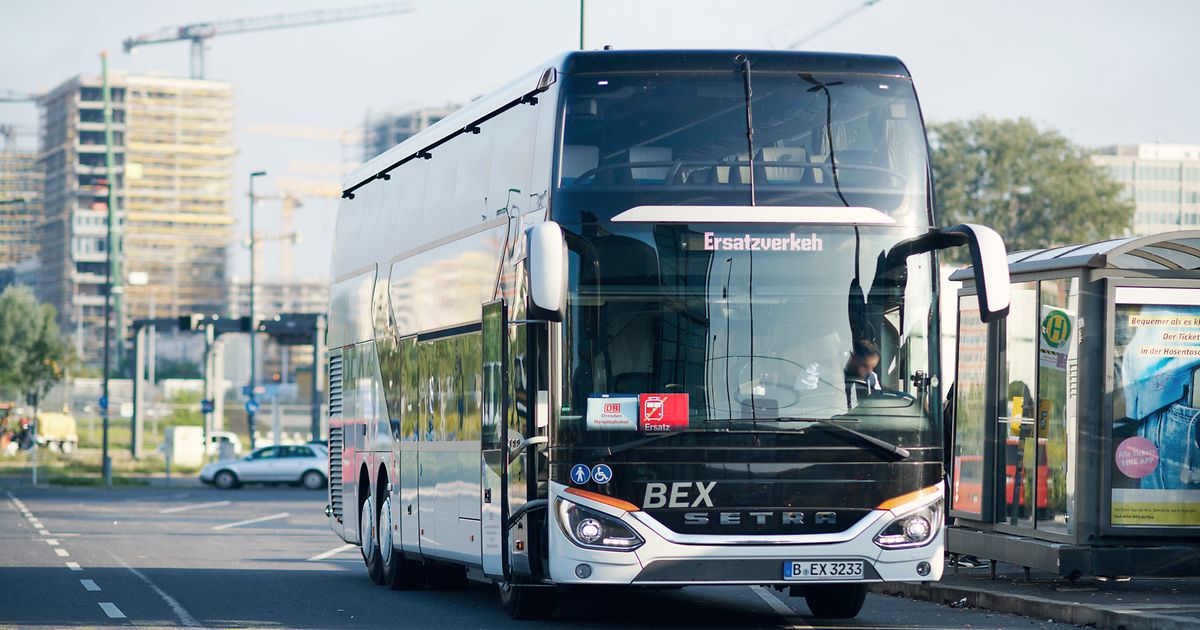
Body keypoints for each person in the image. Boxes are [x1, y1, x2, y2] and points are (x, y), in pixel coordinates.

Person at [844, 339, 882, 408]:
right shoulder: (835, 376)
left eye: (872, 367)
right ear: (854, 358)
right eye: (865, 366)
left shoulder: (872, 378)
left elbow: (877, 403)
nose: (869, 371)